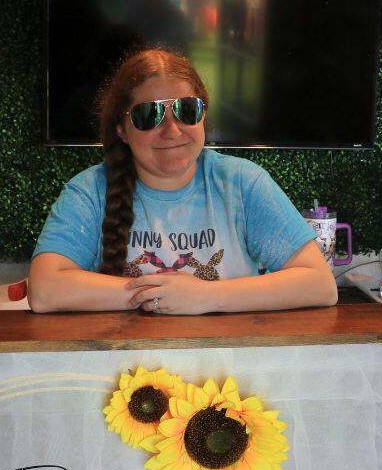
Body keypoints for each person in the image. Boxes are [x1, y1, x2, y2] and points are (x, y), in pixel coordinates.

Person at [28, 48, 337, 314]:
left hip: (228, 377)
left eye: (186, 110)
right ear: (121, 129)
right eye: (149, 115)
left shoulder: (242, 183)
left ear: (203, 115)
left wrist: (206, 296)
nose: (172, 130)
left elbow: (320, 285)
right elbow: (44, 290)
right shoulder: (89, 191)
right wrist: (161, 295)